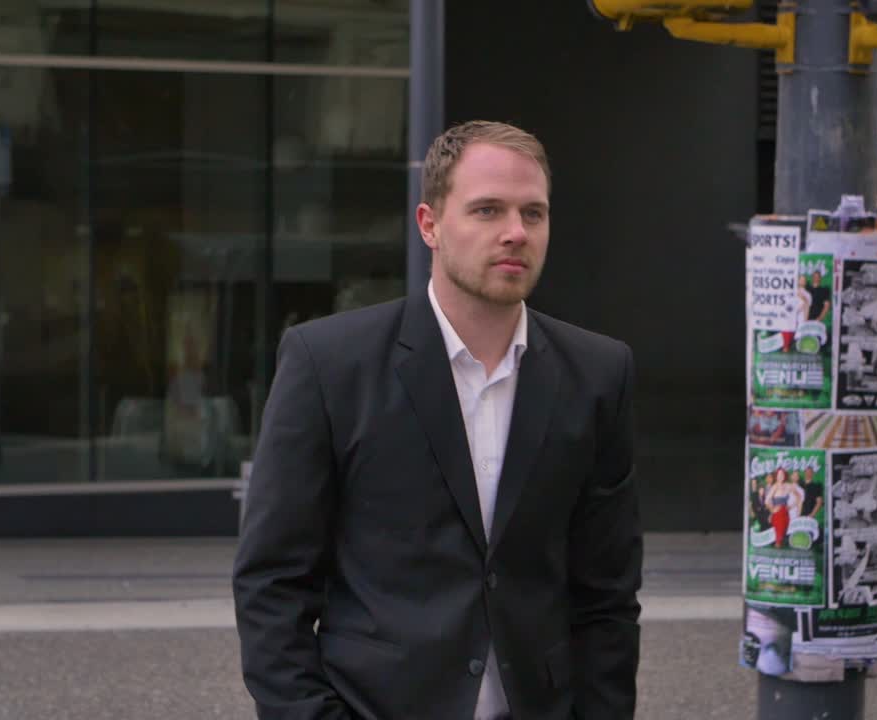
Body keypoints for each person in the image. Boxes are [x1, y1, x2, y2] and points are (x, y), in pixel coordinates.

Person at [233, 121, 643, 720]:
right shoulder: (329, 365)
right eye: (487, 210)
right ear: (429, 224)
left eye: (534, 213)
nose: (514, 233)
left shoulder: (599, 373)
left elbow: (606, 595)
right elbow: (271, 583)